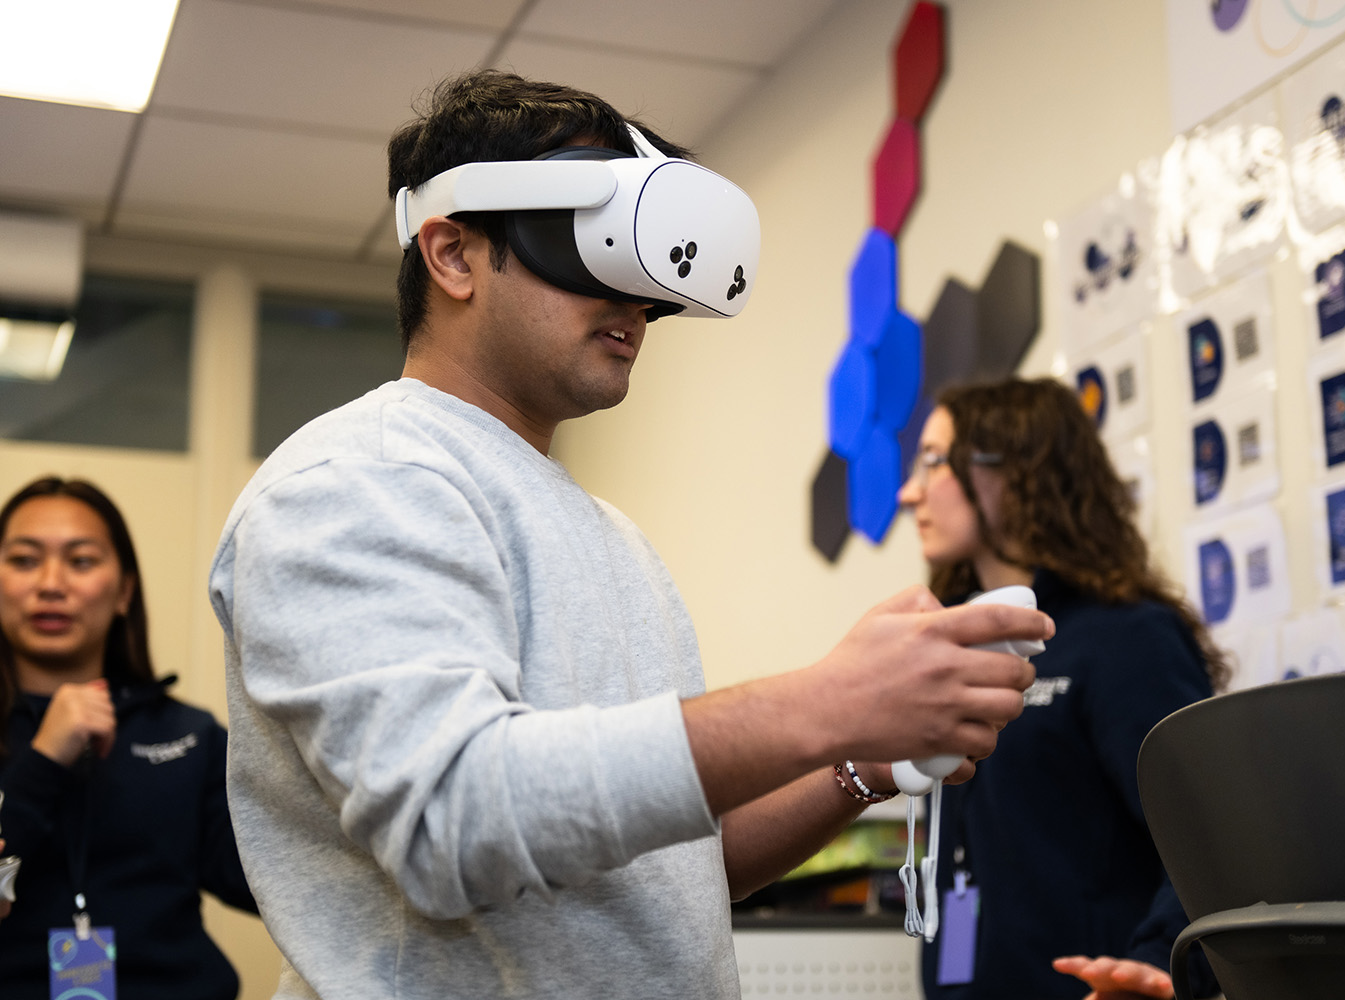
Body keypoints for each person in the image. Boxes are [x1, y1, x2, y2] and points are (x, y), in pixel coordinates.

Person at [208, 70, 1052, 1000]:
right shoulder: (357, 480)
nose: (635, 299)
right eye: (590, 242)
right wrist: (823, 701)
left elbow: (675, 873)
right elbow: (453, 820)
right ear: (452, 255)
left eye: (644, 266)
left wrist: (861, 762)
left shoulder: (613, 538)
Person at [897, 379, 1229, 1000]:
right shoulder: (953, 651)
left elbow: (1212, 835)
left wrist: (1162, 964)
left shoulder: (1128, 638)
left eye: (936, 461)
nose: (909, 491)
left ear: (1017, 472)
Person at [0, 476, 257, 999]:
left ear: (123, 592)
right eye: (24, 560)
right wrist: (44, 759)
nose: (51, 583)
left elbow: (282, 886)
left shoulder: (190, 737)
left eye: (81, 561)